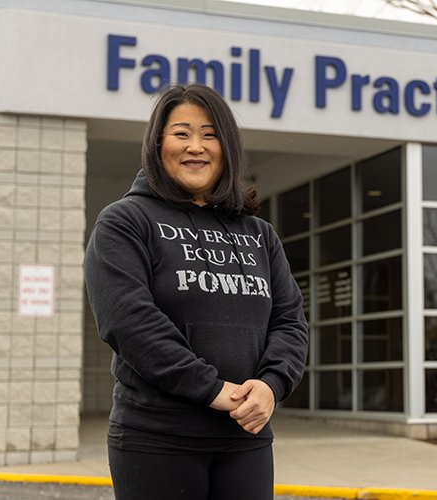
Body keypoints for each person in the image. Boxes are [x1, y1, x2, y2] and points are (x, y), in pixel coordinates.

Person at [84, 83, 308, 500]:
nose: (196, 147)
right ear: (157, 144)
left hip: (246, 437)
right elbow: (129, 322)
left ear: (228, 148)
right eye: (181, 133)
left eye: (210, 134)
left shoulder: (259, 235)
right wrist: (213, 389)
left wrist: (271, 385)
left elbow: (290, 320)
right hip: (156, 438)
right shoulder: (125, 222)